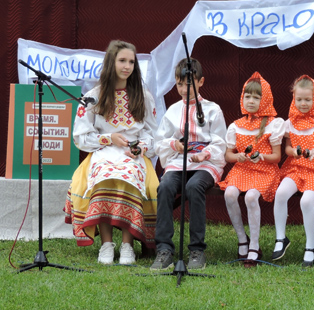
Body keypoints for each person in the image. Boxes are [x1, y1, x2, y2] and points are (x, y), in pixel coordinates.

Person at [64, 40, 159, 265]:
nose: (127, 66)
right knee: (103, 176)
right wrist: (109, 138)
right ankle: (106, 244)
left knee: (131, 177)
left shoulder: (143, 96)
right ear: (111, 62)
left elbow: (154, 135)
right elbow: (80, 137)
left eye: (131, 62)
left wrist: (140, 148)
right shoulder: (94, 96)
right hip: (103, 152)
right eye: (122, 61)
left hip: (132, 155)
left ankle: (127, 245)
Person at [150, 58, 227, 270]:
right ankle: (164, 249)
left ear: (201, 82)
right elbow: (160, 142)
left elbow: (221, 140)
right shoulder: (173, 111)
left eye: (189, 83)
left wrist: (205, 154)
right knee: (165, 187)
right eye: (180, 84)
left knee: (194, 187)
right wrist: (174, 144)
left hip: (206, 164)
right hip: (178, 162)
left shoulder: (212, 109)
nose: (184, 89)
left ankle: (196, 250)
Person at [218, 72, 285, 268]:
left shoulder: (273, 124)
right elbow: (228, 155)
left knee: (250, 197)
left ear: (265, 100)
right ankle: (242, 239)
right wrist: (236, 156)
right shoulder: (236, 126)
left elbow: (277, 157)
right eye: (247, 96)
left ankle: (254, 246)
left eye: (257, 97)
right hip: (242, 169)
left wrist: (262, 157)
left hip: (265, 170)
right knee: (229, 194)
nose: (251, 101)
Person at [271, 75, 314, 267]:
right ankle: (281, 238)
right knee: (281, 193)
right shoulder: (291, 122)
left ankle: (310, 245)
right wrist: (295, 152)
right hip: (296, 167)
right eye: (299, 99)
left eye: (308, 100)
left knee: (306, 201)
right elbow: (288, 149)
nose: (303, 103)